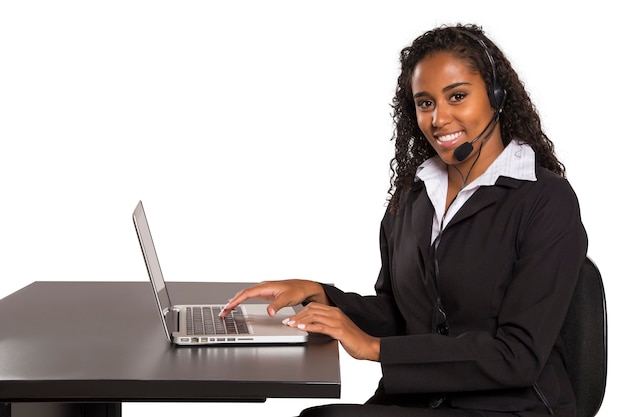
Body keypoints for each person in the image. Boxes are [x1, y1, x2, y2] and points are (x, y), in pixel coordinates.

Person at [219, 23, 587, 417]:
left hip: (509, 408)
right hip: (420, 398)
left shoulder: (545, 200)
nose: (439, 118)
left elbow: (519, 355)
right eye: (425, 103)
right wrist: (321, 295)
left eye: (457, 96)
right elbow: (402, 314)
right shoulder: (415, 195)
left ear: (497, 97)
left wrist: (374, 349)